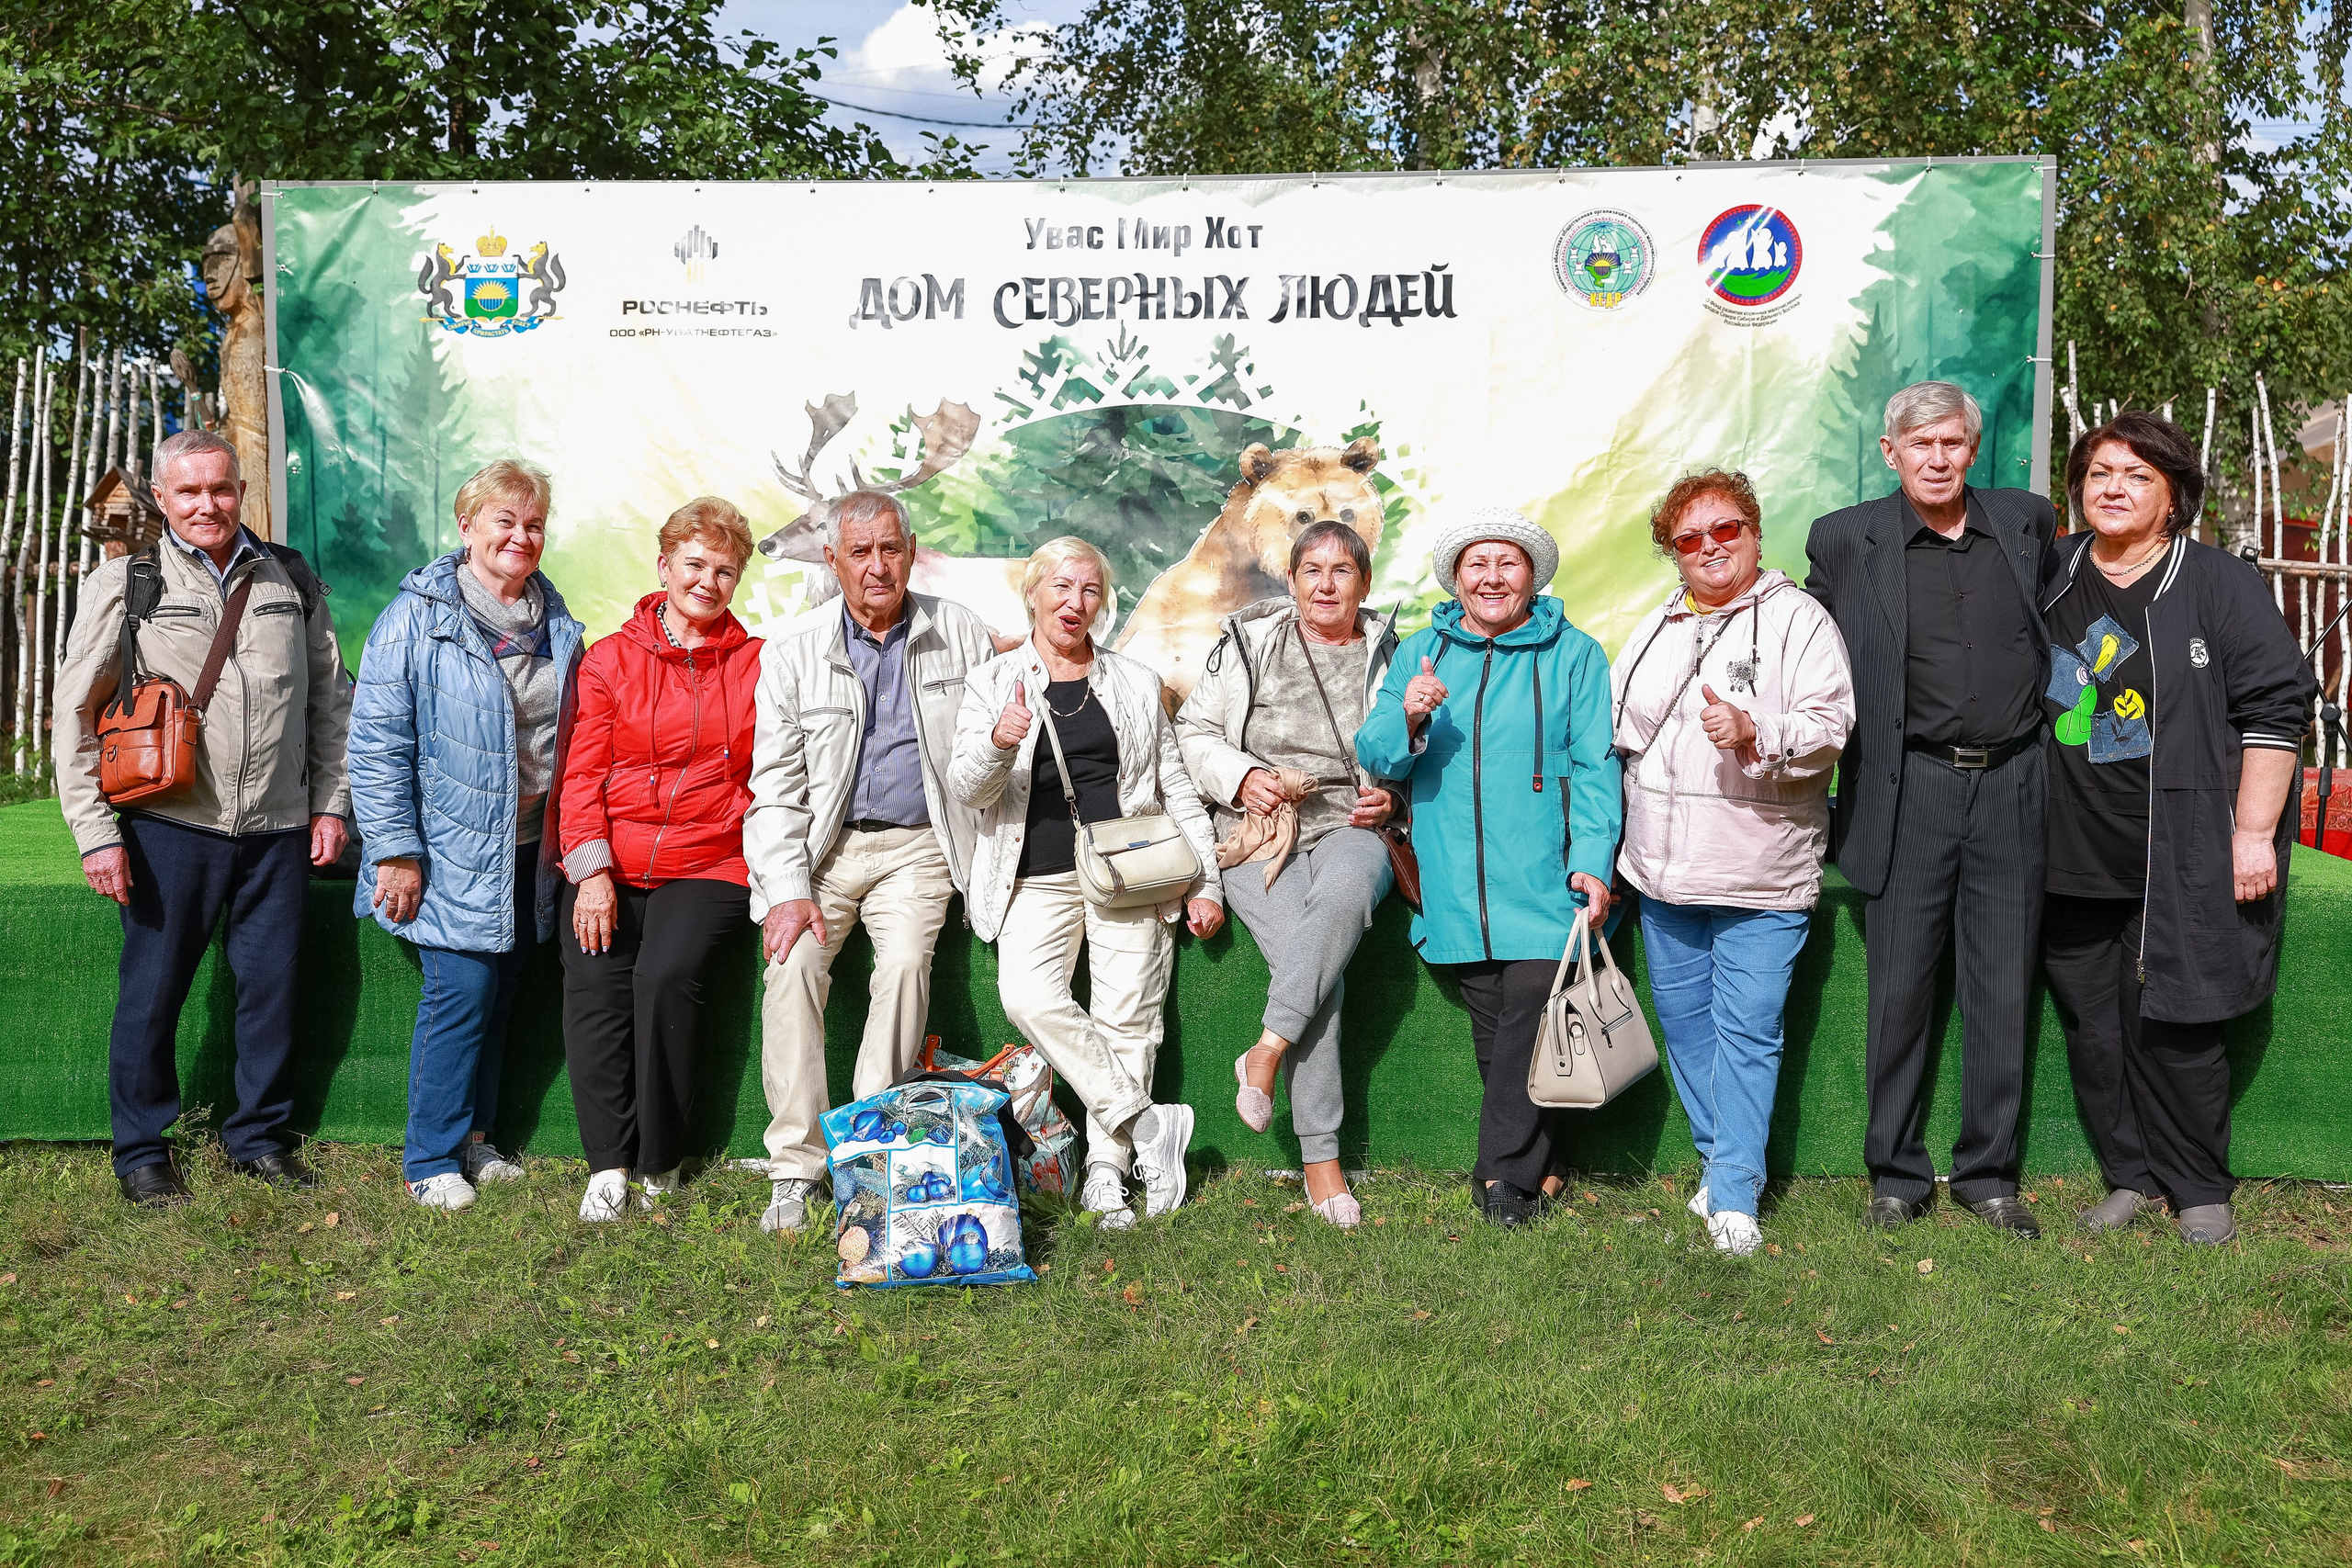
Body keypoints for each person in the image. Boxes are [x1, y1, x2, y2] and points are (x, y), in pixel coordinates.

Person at [55, 429, 352, 1206]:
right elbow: (74, 711)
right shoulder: (128, 581)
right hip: (168, 826)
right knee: (153, 995)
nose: (206, 505)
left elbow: (332, 703)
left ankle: (257, 1138)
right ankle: (143, 1151)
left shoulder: (289, 577)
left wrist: (330, 804)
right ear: (161, 498)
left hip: (279, 828)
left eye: (219, 488)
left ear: (241, 489)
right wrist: (95, 833)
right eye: (187, 492)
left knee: (272, 992)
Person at [2039, 413, 2313, 1246]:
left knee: (2182, 1021)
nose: (2112, 489)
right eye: (2098, 473)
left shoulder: (2218, 582)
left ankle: (2199, 1186)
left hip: (2184, 849)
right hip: (2071, 848)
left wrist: (2253, 831)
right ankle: (2129, 1174)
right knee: (2094, 1024)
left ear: (2173, 497)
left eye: (2136, 476)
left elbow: (2275, 710)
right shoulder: (2052, 571)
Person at [1804, 381, 2057, 1236]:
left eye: (1952, 443)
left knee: (2001, 987)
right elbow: (1809, 659)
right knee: (1901, 990)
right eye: (1920, 446)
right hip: (1904, 787)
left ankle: (1990, 1176)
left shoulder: (2026, 522)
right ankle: (1897, 1175)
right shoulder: (1844, 539)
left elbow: (2067, 637)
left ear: (1972, 448)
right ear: (1891, 453)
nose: (1938, 459)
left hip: (2015, 782)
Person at [1356, 506, 1622, 1228]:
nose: (1493, 576)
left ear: (1531, 576)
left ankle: (1501, 1179)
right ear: (1457, 577)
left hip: (1545, 873)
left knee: (1535, 996)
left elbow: (1598, 767)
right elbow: (1376, 755)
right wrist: (1407, 714)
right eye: (1478, 563)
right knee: (1495, 1024)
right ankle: (1545, 1161)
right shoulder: (1421, 652)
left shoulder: (1576, 654)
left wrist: (1594, 861)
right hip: (1457, 875)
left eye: (1508, 562)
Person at [1611, 470, 1855, 1255]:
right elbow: (1616, 732)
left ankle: (1736, 1199)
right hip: (1662, 872)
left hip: (1762, 873)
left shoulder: (1800, 621)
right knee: (1685, 1028)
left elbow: (1831, 724)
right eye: (1689, 538)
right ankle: (1724, 1168)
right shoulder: (1654, 629)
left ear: (1754, 532)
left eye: (1726, 530)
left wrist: (1756, 729)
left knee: (1747, 1031)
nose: (1710, 547)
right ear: (1671, 553)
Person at [744, 491, 999, 1235]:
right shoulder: (793, 650)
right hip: (825, 849)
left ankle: (867, 1152)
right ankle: (794, 1169)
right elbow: (776, 788)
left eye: (890, 549)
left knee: (904, 968)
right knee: (791, 968)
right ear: (833, 560)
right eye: (860, 552)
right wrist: (789, 890)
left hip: (918, 847)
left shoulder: (960, 633)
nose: (877, 566)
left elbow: (987, 754)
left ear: (912, 552)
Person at [948, 536, 1222, 1229]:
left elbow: (1177, 787)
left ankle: (1107, 1173)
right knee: (1029, 995)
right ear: (1034, 593)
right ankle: (1149, 1122)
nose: (1075, 603)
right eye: (1062, 587)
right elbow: (968, 790)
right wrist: (1000, 740)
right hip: (1035, 875)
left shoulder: (1131, 679)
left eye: (1090, 590)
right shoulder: (993, 680)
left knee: (1127, 1015)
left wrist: (1208, 880)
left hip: (1130, 871)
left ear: (1103, 603)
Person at [349, 459, 584, 1213]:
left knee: (503, 990)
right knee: (462, 991)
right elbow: (377, 741)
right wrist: (394, 849)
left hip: (524, 849)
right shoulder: (417, 616)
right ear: (467, 526)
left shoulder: (555, 621)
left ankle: (475, 1138)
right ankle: (428, 1157)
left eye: (533, 523)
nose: (521, 536)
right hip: (443, 851)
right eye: (504, 521)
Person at [1174, 521, 1399, 1227]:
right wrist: (1243, 778)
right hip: (1258, 831)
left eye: (1342, 571)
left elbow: (1422, 747)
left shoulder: (1394, 652)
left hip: (1352, 827)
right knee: (1318, 979)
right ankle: (1322, 1165)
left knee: (1343, 895)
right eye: (1313, 571)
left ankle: (1265, 1050)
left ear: (1363, 582)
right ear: (1293, 581)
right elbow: (1194, 733)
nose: (1327, 584)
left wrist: (1394, 793)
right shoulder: (1249, 642)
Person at [556, 498, 763, 1221]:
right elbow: (581, 775)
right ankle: (607, 1165)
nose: (707, 580)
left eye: (724, 570)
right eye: (695, 564)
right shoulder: (612, 658)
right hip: (612, 856)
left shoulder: (756, 661)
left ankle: (659, 1161)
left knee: (666, 975)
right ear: (664, 564)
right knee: (595, 981)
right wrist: (591, 872)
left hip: (709, 860)